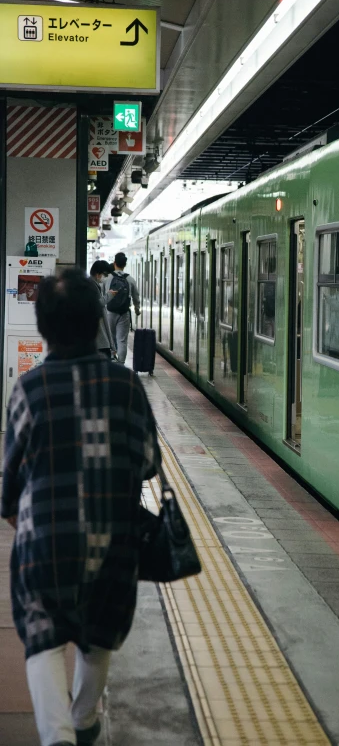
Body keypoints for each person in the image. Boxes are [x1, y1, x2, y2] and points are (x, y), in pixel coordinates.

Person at [1, 268, 160, 746]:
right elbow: (149, 464)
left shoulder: (28, 390)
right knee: (98, 633)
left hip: (45, 542)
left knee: (43, 639)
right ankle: (86, 719)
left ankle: (58, 737)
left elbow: (10, 485)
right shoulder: (126, 387)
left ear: (44, 327)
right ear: (96, 321)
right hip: (113, 540)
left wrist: (26, 521)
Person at [103, 252, 140, 365]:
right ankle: (121, 364)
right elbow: (136, 297)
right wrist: (137, 309)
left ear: (114, 263)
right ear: (125, 264)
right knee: (122, 340)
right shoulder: (130, 279)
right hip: (124, 313)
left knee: (110, 339)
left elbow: (102, 296)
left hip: (109, 312)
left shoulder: (107, 278)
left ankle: (112, 360)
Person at [89, 259, 115, 359]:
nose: (106, 277)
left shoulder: (93, 285)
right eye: (105, 274)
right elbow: (95, 304)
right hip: (98, 337)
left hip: (99, 337)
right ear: (97, 273)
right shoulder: (91, 286)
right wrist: (109, 296)